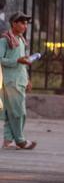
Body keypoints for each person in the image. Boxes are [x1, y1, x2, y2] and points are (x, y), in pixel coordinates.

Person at [1, 12, 37, 150]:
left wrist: (27, 79)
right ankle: (20, 140)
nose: (24, 26)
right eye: (22, 23)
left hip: (20, 81)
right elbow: (1, 60)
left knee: (12, 114)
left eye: (26, 23)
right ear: (14, 24)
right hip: (11, 82)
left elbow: (22, 62)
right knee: (19, 113)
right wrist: (16, 60)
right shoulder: (5, 40)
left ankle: (8, 141)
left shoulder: (21, 40)